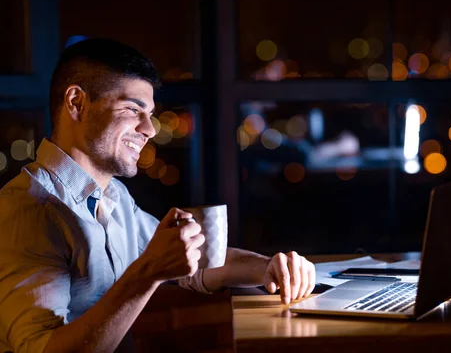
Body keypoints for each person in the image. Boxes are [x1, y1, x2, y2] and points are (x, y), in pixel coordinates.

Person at [0, 38, 316, 353]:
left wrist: (269, 268)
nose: (149, 130)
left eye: (149, 114)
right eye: (132, 110)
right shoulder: (30, 209)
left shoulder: (113, 197)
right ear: (76, 103)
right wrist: (149, 271)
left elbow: (197, 263)